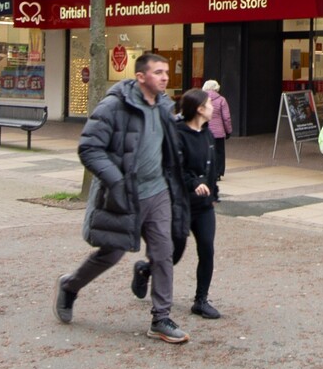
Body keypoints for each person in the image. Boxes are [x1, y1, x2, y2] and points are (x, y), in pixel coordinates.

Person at [55, 52, 191, 345]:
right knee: (111, 254)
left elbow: (171, 146)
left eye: (166, 71)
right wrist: (116, 180)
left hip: (158, 192)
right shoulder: (114, 105)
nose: (165, 77)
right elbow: (89, 148)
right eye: (158, 72)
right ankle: (70, 285)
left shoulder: (165, 106)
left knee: (163, 252)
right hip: (124, 195)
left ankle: (161, 318)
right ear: (141, 76)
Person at [172, 88, 222, 320]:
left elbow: (211, 168)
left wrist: (213, 193)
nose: (213, 107)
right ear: (200, 109)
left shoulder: (207, 134)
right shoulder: (178, 135)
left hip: (204, 206)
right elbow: (176, 169)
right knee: (173, 253)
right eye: (209, 104)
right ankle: (145, 271)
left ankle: (201, 300)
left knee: (207, 249)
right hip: (182, 204)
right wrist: (194, 182)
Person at [201, 79, 232, 179]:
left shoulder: (201, 99)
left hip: (204, 131)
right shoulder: (221, 100)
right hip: (218, 132)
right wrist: (228, 131)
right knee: (219, 152)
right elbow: (226, 118)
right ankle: (218, 173)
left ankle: (206, 171)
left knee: (206, 151)